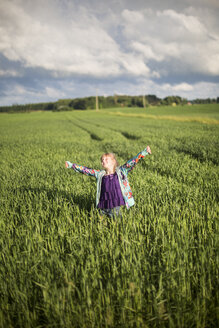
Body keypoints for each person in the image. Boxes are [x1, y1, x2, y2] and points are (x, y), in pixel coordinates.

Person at [65, 146, 152, 218]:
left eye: (106, 159)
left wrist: (144, 152)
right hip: (102, 205)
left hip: (116, 205)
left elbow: (132, 162)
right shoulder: (100, 174)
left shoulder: (121, 171)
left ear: (113, 162)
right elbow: (86, 170)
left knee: (117, 224)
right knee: (101, 224)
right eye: (102, 160)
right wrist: (71, 165)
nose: (103, 161)